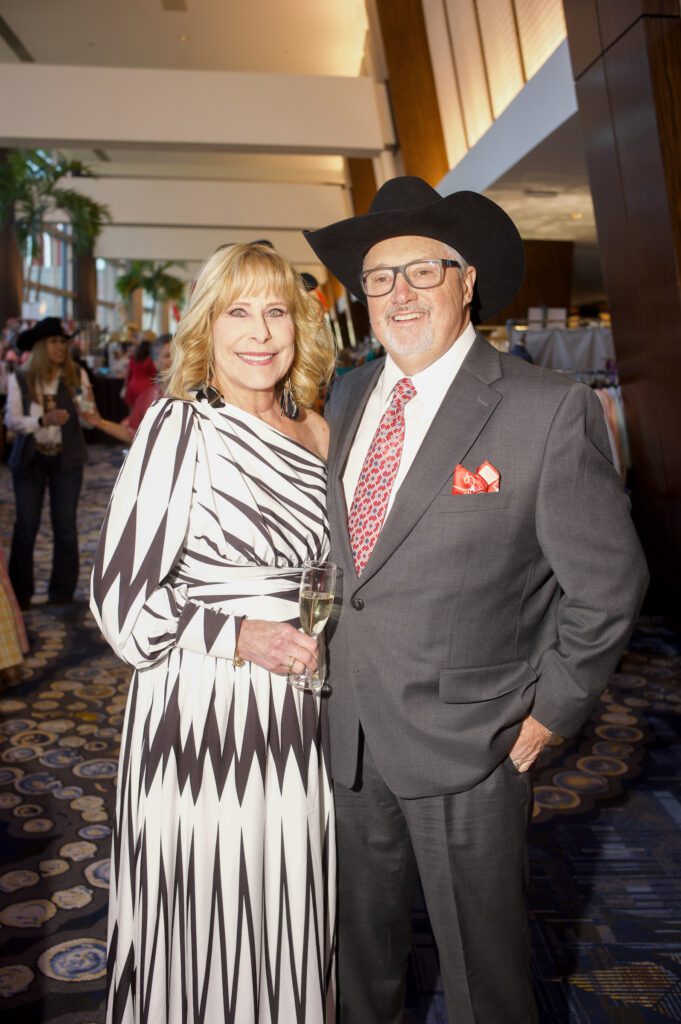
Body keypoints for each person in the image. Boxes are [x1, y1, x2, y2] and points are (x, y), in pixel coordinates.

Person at [304, 177, 649, 1024]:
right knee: (360, 962)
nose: (400, 294)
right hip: (345, 730)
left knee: (483, 980)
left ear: (468, 283)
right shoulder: (347, 395)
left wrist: (553, 714)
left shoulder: (547, 407)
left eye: (424, 271)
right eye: (380, 279)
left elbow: (608, 585)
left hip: (474, 739)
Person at [90, 242, 337, 1023]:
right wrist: (237, 636)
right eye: (237, 311)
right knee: (203, 912)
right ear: (206, 328)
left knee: (289, 908)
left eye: (275, 312)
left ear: (300, 328)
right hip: (201, 713)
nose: (258, 332)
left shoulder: (323, 437)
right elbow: (118, 600)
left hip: (302, 713)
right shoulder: (178, 427)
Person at [5, 317, 91, 610]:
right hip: (31, 459)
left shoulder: (76, 376)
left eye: (63, 342)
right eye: (54, 342)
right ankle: (21, 594)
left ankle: (62, 592)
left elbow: (89, 421)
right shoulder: (20, 378)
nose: (60, 347)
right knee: (26, 525)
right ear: (41, 346)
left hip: (66, 460)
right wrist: (42, 420)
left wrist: (88, 410)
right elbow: (12, 420)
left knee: (65, 525)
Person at [82, 333, 173, 443]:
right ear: (154, 363)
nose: (175, 359)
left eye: (179, 354)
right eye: (168, 355)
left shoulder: (196, 392)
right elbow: (133, 432)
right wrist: (100, 423)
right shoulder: (148, 398)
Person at [123, 337, 156, 408]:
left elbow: (128, 374)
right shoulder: (149, 361)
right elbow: (153, 375)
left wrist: (125, 386)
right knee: (144, 411)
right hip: (145, 387)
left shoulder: (133, 359)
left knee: (132, 411)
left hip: (132, 385)